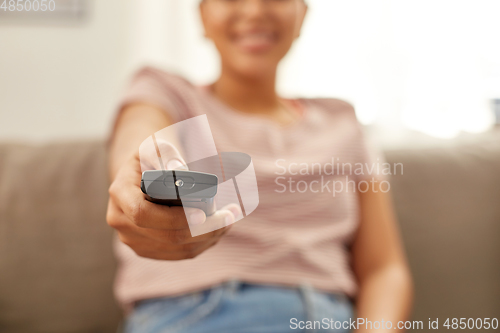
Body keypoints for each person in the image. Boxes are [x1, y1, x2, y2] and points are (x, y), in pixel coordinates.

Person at [106, 0, 414, 332]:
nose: (254, 11)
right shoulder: (168, 93)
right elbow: (139, 143)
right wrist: (136, 176)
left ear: (302, 15)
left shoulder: (343, 122)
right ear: (203, 14)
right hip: (195, 315)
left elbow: (385, 270)